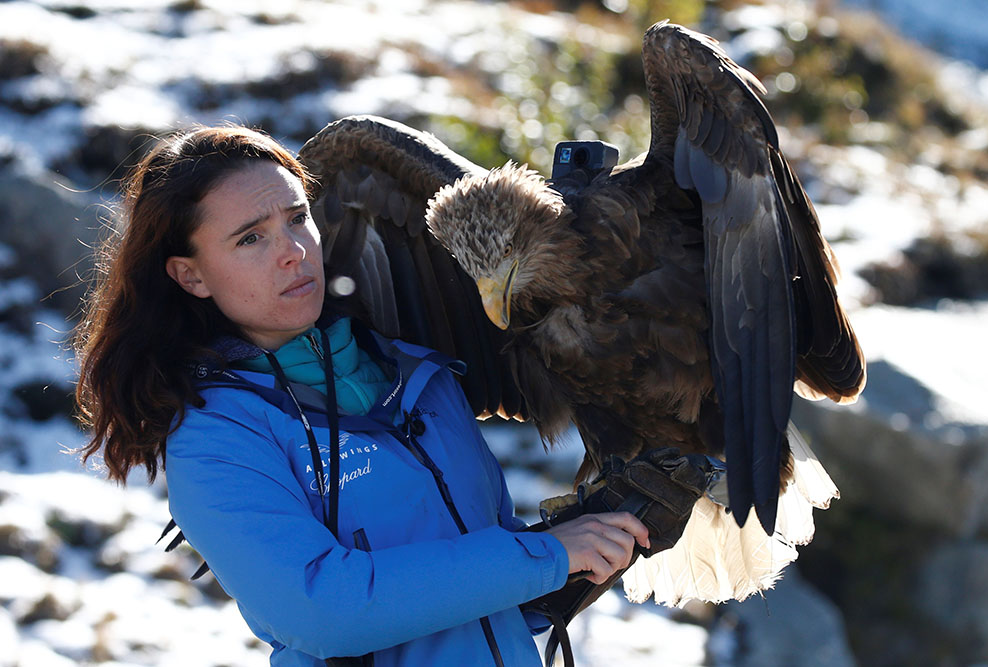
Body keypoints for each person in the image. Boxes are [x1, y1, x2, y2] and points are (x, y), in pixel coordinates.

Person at [72, 125, 657, 666]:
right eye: (250, 238)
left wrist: (589, 548)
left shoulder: (418, 376)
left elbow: (475, 593)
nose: (293, 251)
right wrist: (545, 557)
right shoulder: (216, 432)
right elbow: (323, 611)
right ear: (190, 275)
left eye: (297, 217)